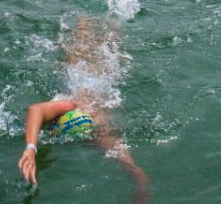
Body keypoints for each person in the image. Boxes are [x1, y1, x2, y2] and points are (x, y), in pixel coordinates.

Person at [17, 17, 151, 202]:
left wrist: (140, 185)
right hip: (93, 78)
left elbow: (138, 174)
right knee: (105, 51)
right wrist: (31, 148)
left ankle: (99, 20)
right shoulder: (75, 106)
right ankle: (102, 20)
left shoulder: (99, 128)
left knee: (87, 51)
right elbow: (35, 110)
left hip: (84, 78)